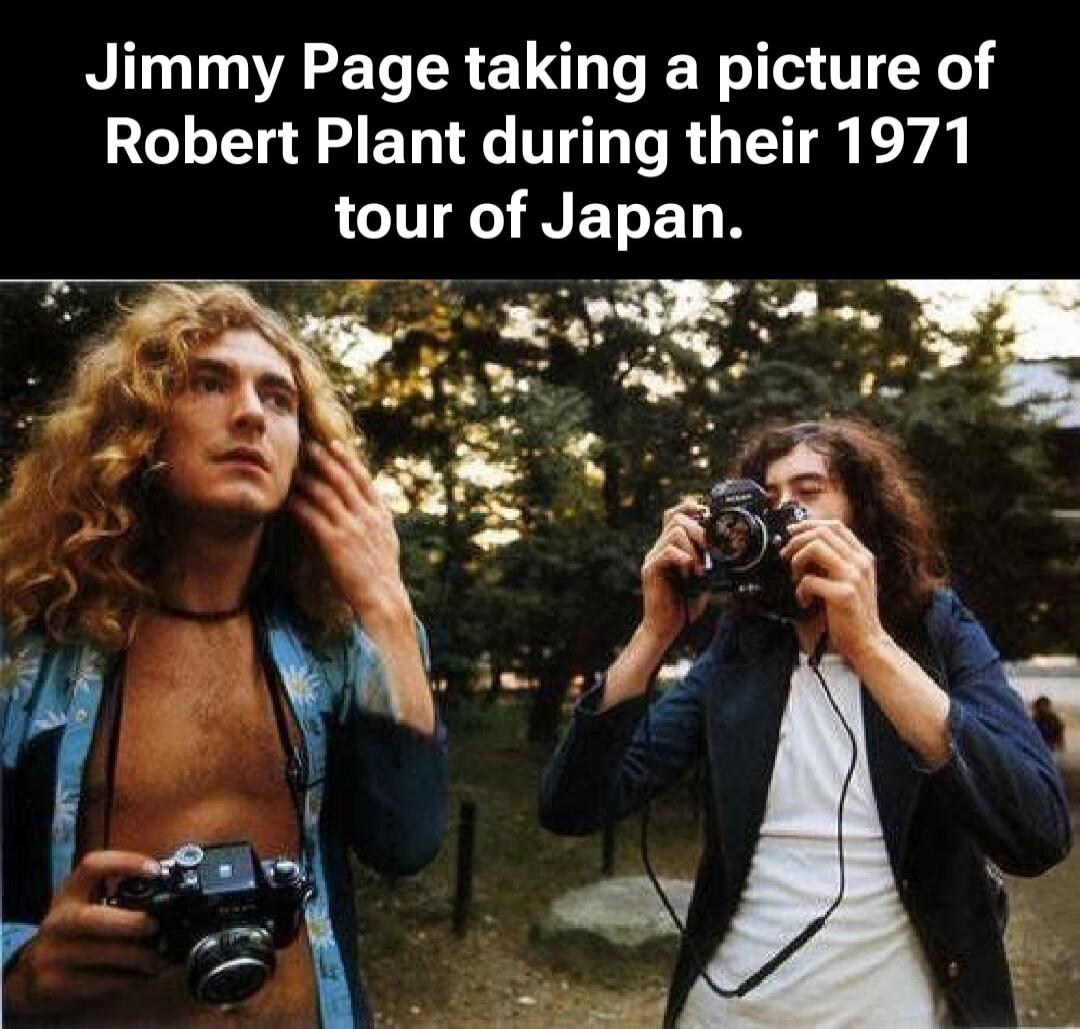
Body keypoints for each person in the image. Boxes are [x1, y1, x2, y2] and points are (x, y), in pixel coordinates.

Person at [0, 284, 447, 1028]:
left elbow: (406, 841)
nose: (249, 413)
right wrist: (18, 972)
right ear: (138, 425)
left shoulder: (338, 642)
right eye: (210, 382)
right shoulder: (30, 646)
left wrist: (388, 606)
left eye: (278, 399)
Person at [540, 418, 1072, 1028]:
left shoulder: (936, 631)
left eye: (810, 490)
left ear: (862, 515)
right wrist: (654, 632)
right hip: (726, 1014)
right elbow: (572, 806)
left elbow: (1037, 831)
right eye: (768, 500)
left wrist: (870, 646)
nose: (784, 512)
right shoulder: (742, 649)